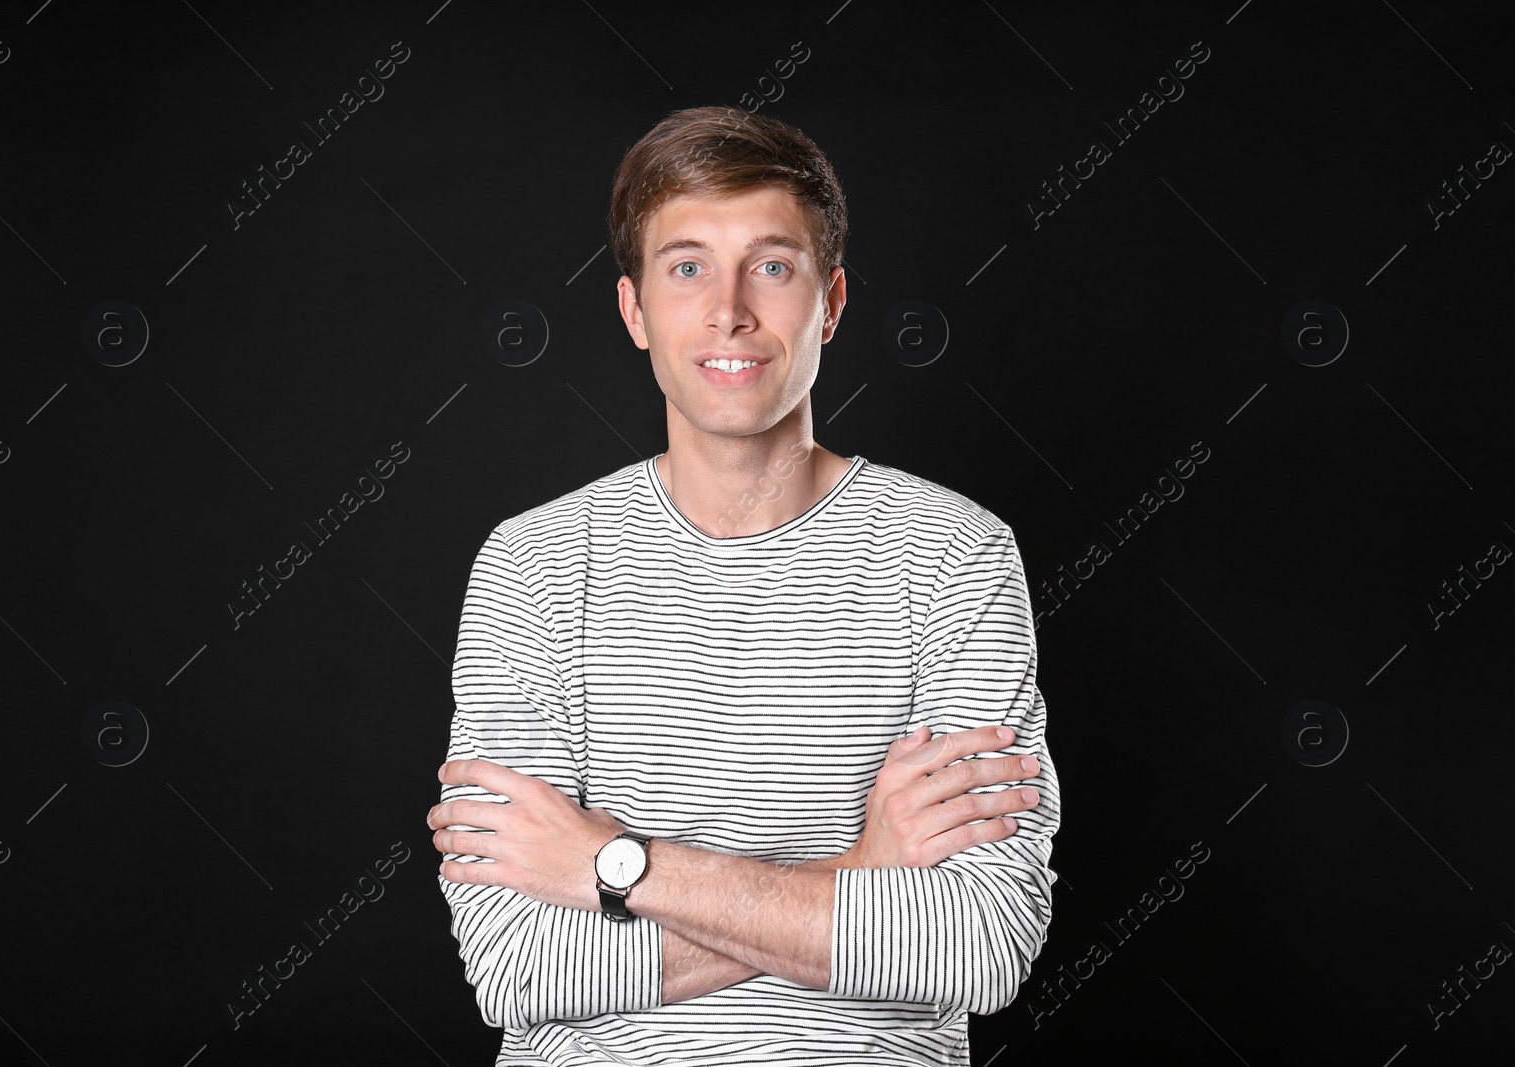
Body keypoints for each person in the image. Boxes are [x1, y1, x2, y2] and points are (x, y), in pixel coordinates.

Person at [426, 105, 1060, 1066]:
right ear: (636, 310)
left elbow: (980, 943)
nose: (729, 311)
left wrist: (610, 865)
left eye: (772, 265)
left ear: (831, 301)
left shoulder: (954, 557)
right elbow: (518, 968)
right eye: (687, 268)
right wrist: (859, 876)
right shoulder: (535, 565)